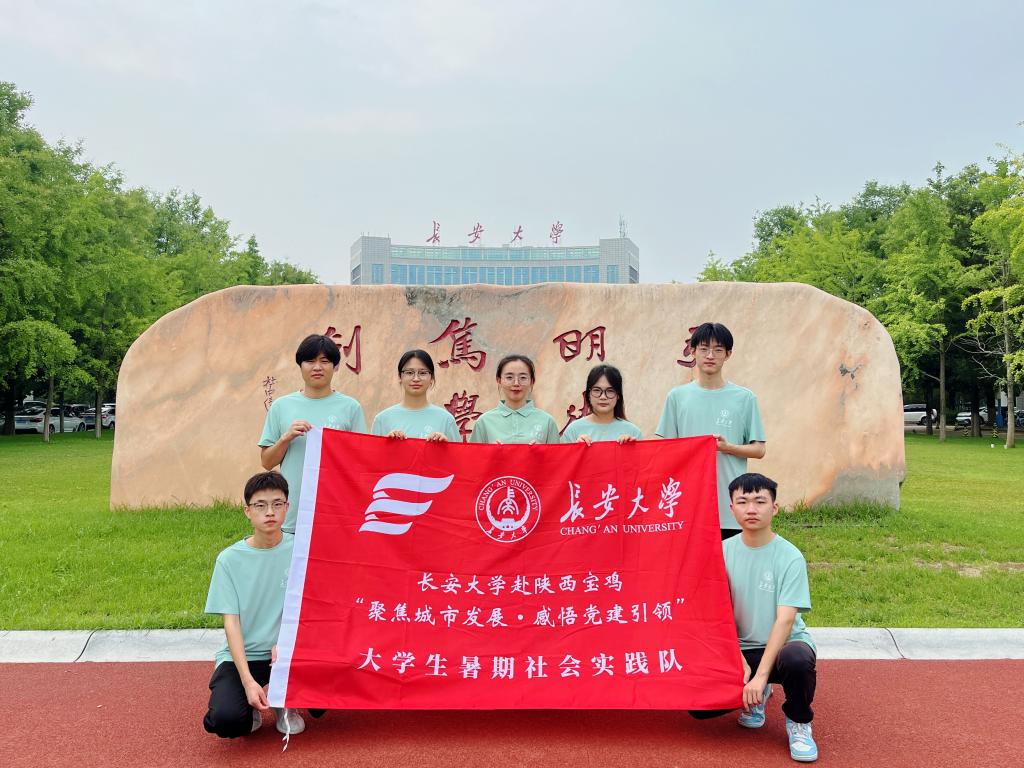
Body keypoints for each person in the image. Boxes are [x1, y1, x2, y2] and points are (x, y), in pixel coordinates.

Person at [690, 473, 818, 763]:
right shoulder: (720, 553)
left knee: (797, 660)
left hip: (784, 646)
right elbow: (716, 615)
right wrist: (737, 659)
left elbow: (785, 621)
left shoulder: (790, 557)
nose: (751, 509)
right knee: (698, 708)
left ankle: (799, 721)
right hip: (739, 650)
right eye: (743, 501)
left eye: (760, 501)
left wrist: (759, 678)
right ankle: (756, 696)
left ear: (774, 508)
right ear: (731, 508)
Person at [202, 471, 306, 738]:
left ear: (287, 507)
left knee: (332, 690)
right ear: (247, 511)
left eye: (277, 504)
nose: (270, 512)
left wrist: (292, 644)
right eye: (260, 505)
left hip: (289, 653)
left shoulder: (302, 550)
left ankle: (285, 702)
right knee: (226, 720)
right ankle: (251, 705)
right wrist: (248, 681)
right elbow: (231, 624)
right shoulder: (229, 560)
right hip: (246, 655)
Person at [655, 322, 765, 539]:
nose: (710, 356)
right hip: (687, 500)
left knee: (730, 559)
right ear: (693, 352)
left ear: (728, 354)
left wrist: (727, 447)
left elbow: (759, 450)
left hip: (730, 502)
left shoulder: (744, 398)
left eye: (718, 350)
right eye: (704, 349)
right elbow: (663, 448)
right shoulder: (677, 397)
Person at [259, 334, 367, 534]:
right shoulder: (282, 406)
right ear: (300, 365)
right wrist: (286, 438)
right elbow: (267, 462)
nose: (317, 367)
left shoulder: (350, 408)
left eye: (324, 361)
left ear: (335, 366)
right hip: (294, 510)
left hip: (337, 510)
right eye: (310, 361)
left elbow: (362, 461)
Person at [371, 350, 460, 441]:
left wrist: (446, 446)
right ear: (399, 376)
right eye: (409, 373)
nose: (416, 379)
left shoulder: (446, 420)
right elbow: (372, 450)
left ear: (432, 378)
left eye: (422, 373)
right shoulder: (382, 420)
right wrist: (386, 444)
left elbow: (459, 450)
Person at [469, 354, 560, 444]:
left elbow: (557, 454)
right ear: (499, 381)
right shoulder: (484, 422)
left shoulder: (547, 421)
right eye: (509, 377)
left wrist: (543, 451)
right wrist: (488, 451)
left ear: (532, 382)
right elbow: (472, 453)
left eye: (523, 378)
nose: (516, 383)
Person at [561, 364, 642, 444]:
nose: (603, 397)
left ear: (618, 395)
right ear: (588, 394)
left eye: (610, 391)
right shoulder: (573, 431)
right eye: (597, 390)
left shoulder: (633, 432)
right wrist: (576, 449)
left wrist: (631, 448)